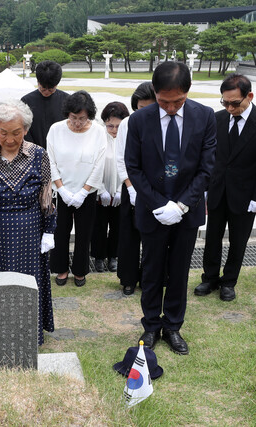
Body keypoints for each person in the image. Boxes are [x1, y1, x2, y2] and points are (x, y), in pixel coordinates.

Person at [125, 62, 216, 354]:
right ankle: (151, 325)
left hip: (186, 210)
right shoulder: (140, 120)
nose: (172, 107)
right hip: (153, 210)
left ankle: (173, 326)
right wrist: (159, 203)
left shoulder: (205, 116)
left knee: (179, 270)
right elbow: (134, 167)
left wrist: (180, 205)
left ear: (187, 92)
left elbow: (206, 168)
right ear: (155, 92)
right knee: (151, 270)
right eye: (165, 101)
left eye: (178, 101)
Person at [0, 99, 56, 345]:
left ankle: (28, 332)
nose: (9, 139)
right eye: (3, 132)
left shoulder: (39, 155)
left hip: (29, 227)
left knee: (29, 279)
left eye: (16, 133)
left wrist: (49, 230)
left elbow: (47, 194)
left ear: (26, 130)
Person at [194, 74, 256, 302]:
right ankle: (209, 278)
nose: (230, 108)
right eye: (225, 102)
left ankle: (229, 281)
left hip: (246, 194)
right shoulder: (216, 118)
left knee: (238, 240)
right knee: (212, 237)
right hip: (217, 190)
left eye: (235, 103)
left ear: (249, 96)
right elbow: (208, 155)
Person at [47, 90, 106, 287]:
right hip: (61, 190)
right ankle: (61, 268)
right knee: (60, 232)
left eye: (82, 118)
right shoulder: (56, 129)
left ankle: (80, 270)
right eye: (74, 118)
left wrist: (84, 191)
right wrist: (61, 189)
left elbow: (99, 164)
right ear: (67, 114)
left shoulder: (98, 131)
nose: (78, 122)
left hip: (86, 193)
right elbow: (51, 160)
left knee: (84, 233)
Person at [115, 82, 157, 296]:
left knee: (154, 238)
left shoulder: (162, 122)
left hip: (156, 188)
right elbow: (121, 158)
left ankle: (150, 278)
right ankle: (129, 278)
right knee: (129, 235)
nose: (145, 112)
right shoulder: (127, 124)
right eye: (141, 107)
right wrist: (131, 187)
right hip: (131, 186)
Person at [91, 101, 129, 273]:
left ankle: (114, 256)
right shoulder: (98, 139)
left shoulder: (128, 138)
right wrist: (100, 190)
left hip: (121, 191)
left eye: (118, 126)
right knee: (99, 226)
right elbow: (94, 166)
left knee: (118, 226)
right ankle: (98, 257)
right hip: (101, 191)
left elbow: (129, 166)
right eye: (110, 126)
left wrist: (122, 190)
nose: (114, 130)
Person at [21, 60, 69, 149]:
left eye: (51, 89)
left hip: (60, 150)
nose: (46, 92)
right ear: (37, 82)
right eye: (43, 88)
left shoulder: (67, 100)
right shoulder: (26, 101)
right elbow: (23, 129)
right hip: (33, 152)